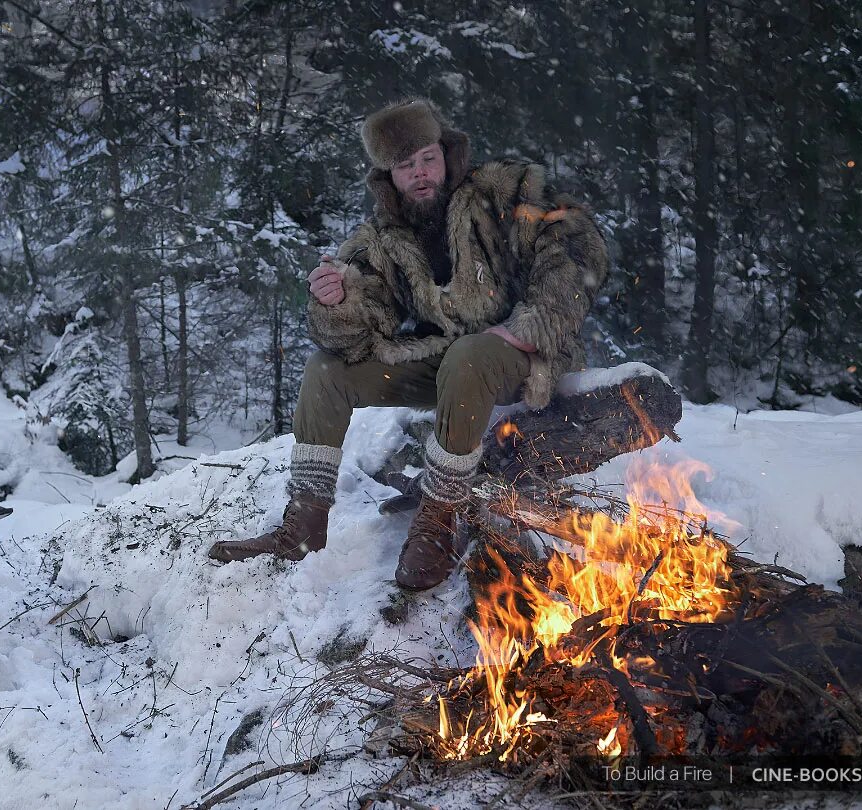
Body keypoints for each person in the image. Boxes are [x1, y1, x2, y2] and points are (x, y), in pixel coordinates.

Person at [208, 98, 608, 591]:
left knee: (471, 354)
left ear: (447, 153)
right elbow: (362, 324)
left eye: (427, 159)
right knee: (326, 370)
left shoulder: (505, 192)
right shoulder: (381, 237)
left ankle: (439, 519)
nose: (420, 174)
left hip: (522, 358)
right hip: (447, 366)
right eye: (404, 166)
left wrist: (531, 325)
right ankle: (304, 529)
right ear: (387, 176)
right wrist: (337, 301)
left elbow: (578, 245)